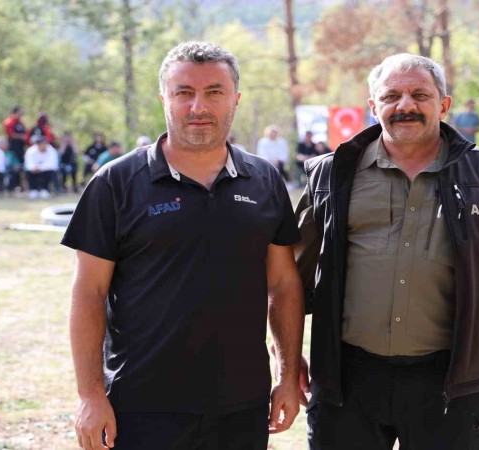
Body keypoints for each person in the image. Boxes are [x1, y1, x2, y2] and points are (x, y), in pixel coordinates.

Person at [295, 53, 479, 450]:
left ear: (443, 105)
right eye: (391, 96)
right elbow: (292, 278)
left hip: (452, 377)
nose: (405, 105)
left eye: (420, 94)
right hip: (347, 377)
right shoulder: (331, 173)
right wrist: (288, 355)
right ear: (373, 106)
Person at [61, 41, 304, 450]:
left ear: (235, 99)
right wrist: (90, 395)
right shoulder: (115, 182)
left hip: (242, 404)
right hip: (141, 404)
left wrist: (286, 375)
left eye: (214, 92)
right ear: (164, 99)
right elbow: (89, 291)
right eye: (184, 93)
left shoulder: (264, 181)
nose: (199, 106)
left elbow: (284, 285)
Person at [24, 134, 59, 199]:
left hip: (46, 171)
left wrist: (40, 168)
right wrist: (33, 168)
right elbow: (28, 163)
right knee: (28, 172)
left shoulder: (51, 151)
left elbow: (52, 165)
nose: (43, 145)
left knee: (51, 173)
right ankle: (33, 190)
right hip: (34, 171)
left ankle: (45, 190)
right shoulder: (31, 151)